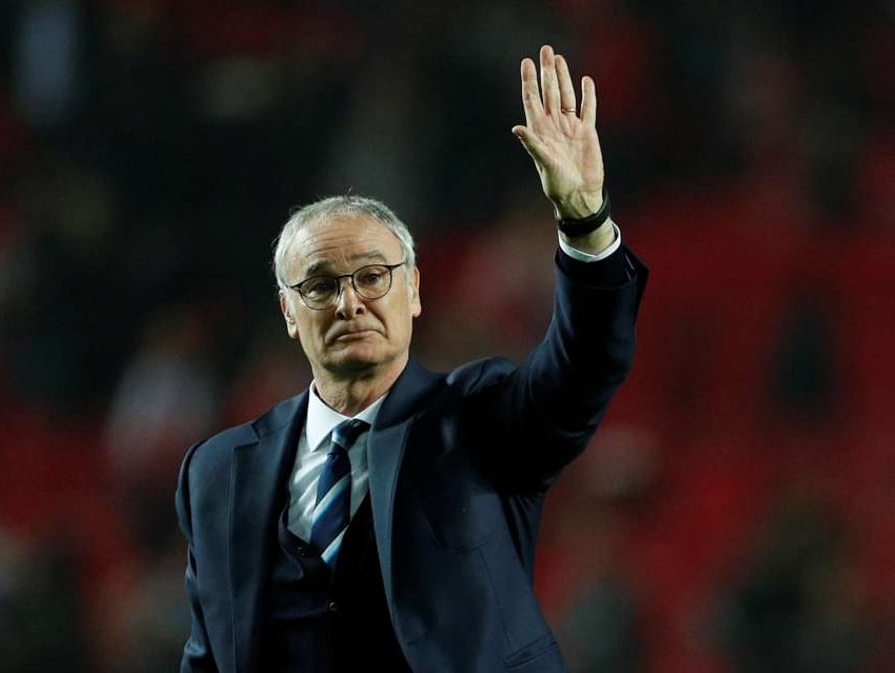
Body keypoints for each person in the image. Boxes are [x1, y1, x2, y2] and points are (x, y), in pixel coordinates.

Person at [175, 45, 648, 673]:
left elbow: (582, 368)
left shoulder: (478, 419)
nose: (349, 303)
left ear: (416, 292)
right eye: (319, 286)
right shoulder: (216, 474)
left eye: (373, 277)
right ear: (289, 313)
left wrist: (586, 221)